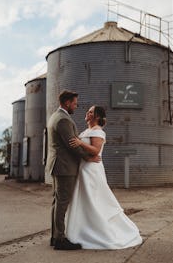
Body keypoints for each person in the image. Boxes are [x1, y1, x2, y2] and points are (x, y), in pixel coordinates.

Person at [65, 105, 142, 249]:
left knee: (94, 199)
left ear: (97, 117)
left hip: (92, 170)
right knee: (82, 200)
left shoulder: (98, 132)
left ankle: (101, 230)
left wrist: (80, 142)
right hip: (82, 168)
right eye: (88, 110)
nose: (87, 112)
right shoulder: (86, 131)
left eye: (91, 111)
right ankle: (81, 230)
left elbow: (95, 151)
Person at [45, 90, 99, 250]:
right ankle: (60, 239)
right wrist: (88, 157)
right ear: (67, 102)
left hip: (58, 165)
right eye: (74, 103)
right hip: (64, 167)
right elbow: (72, 144)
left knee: (57, 202)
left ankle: (55, 237)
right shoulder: (63, 119)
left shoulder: (55, 116)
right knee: (62, 202)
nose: (76, 106)